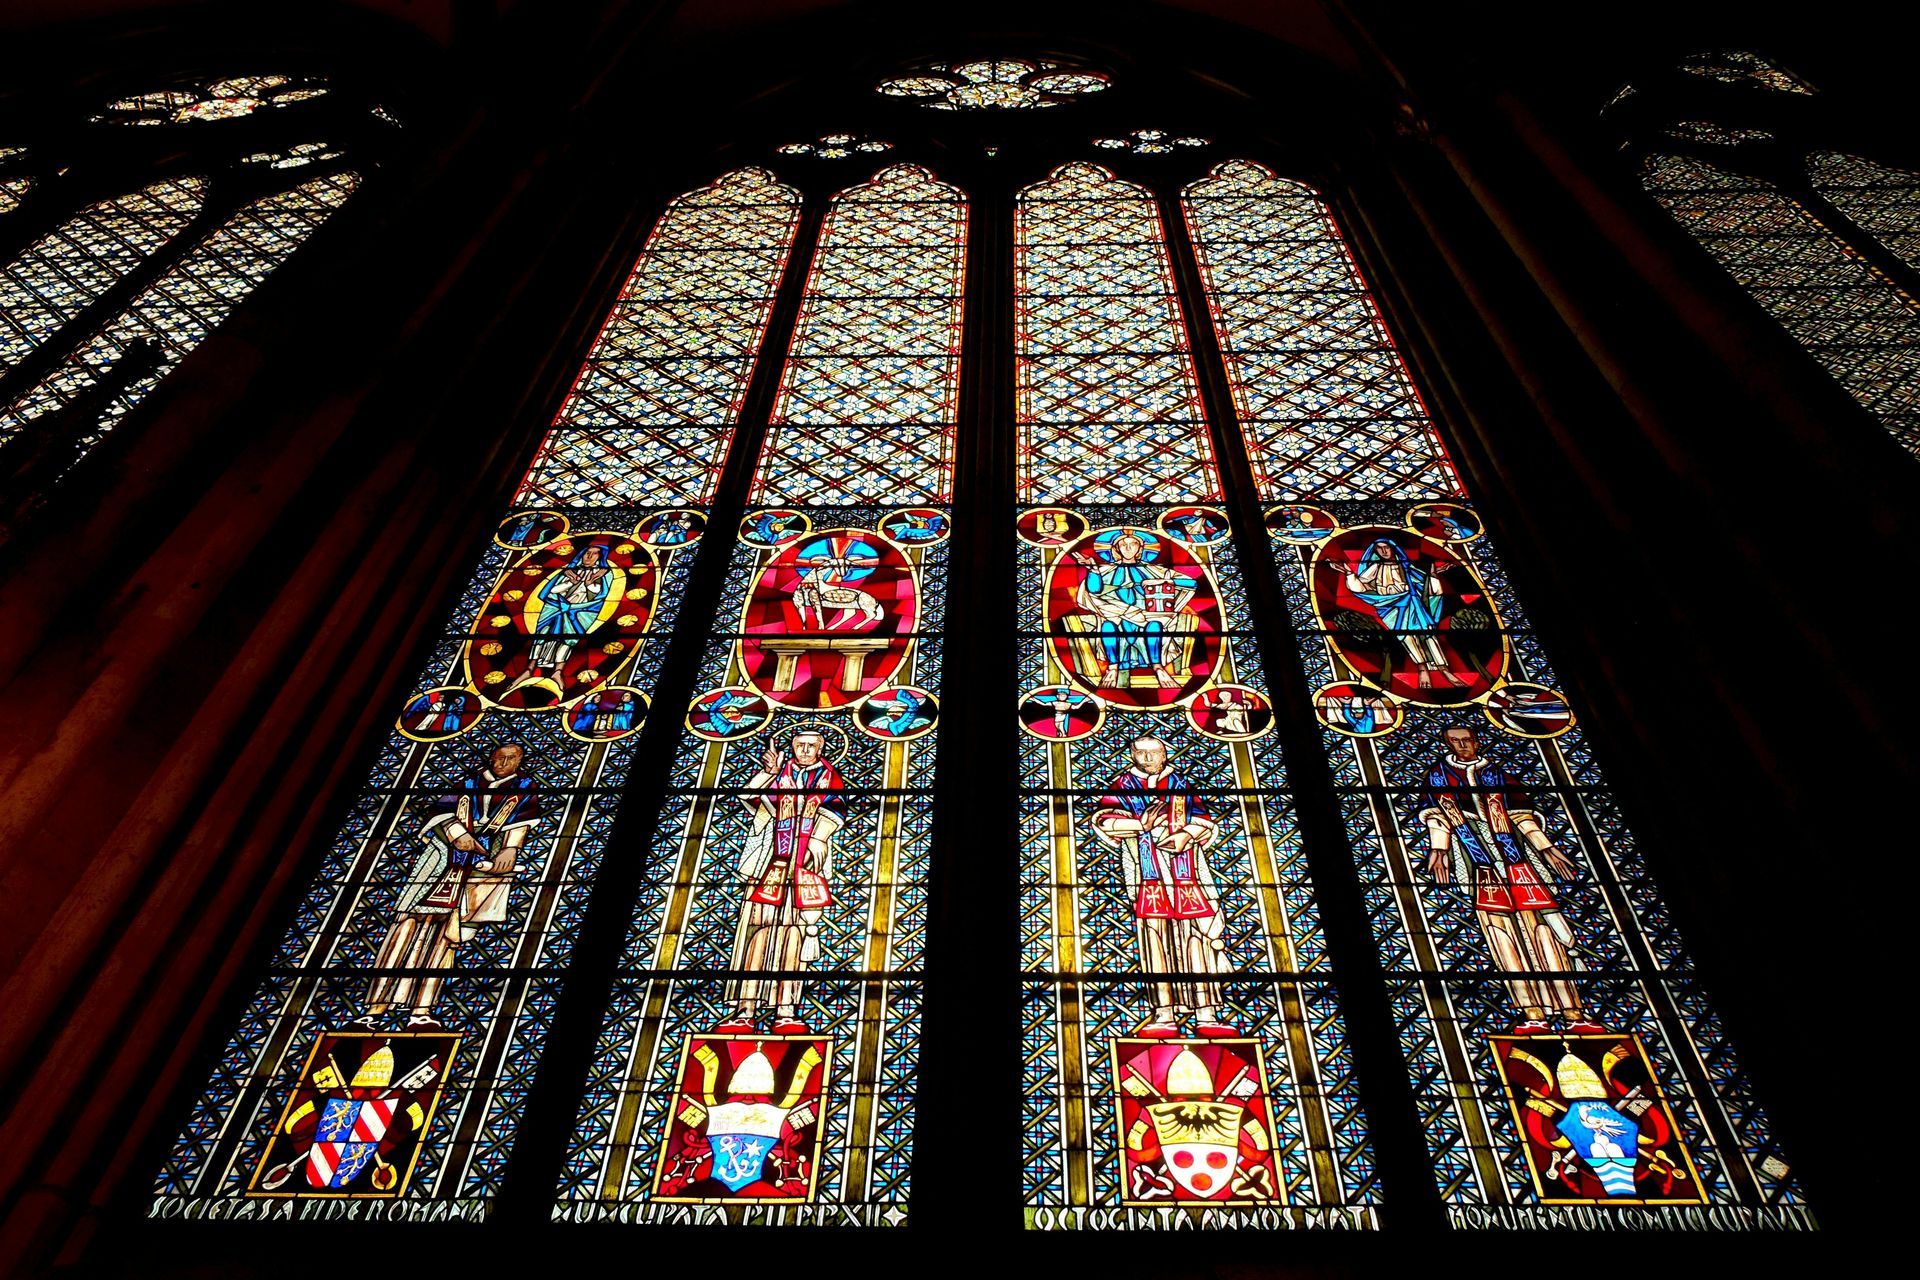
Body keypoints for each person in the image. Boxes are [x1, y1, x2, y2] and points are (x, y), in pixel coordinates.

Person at [1419, 725, 1600, 1035]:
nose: (1463, 746)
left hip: (1517, 856)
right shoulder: (1437, 776)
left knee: (1544, 928)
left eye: (1467, 740)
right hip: (1478, 860)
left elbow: (1521, 814)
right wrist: (1439, 848)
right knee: (1499, 932)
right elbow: (1437, 814)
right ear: (1446, 744)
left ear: (1477, 741)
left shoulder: (1497, 772)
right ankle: (1531, 1012)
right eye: (1456, 741)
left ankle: (1573, 1010)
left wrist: (1547, 848)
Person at [365, 744, 540, 1027]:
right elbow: (441, 812)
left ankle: (421, 1012)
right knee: (406, 925)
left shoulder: (525, 787)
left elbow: (521, 824)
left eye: (509, 759)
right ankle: (375, 1009)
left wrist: (510, 850)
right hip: (439, 859)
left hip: (479, 866)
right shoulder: (469, 783)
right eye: (497, 757)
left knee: (448, 937)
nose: (501, 763)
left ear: (519, 761)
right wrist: (456, 832)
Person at [1090, 735, 1234, 1039]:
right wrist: (1140, 825)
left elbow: (1203, 820)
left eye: (1153, 753)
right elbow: (1104, 820)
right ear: (1131, 755)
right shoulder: (1123, 786)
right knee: (1154, 938)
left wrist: (1188, 834)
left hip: (1187, 875)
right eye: (1140, 753)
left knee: (1199, 938)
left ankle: (1206, 1011)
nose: (1147, 759)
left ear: (1164, 754)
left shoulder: (1180, 784)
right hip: (1147, 876)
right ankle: (1163, 1014)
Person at [719, 729, 846, 1034]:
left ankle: (786, 1010)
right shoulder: (780, 774)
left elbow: (836, 808)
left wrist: (818, 837)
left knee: (796, 934)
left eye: (811, 746)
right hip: (768, 863)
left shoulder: (829, 778)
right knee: (757, 932)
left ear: (821, 749)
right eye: (799, 745)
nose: (804, 750)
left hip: (806, 866)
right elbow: (747, 799)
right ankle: (745, 1008)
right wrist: (767, 772)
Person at [1071, 530, 1197, 691]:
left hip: (1146, 616)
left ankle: (1158, 668)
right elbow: (1094, 590)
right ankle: (1112, 668)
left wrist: (1165, 580)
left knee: (1155, 627)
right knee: (1108, 627)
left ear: (1141, 548)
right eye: (1123, 545)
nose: (1128, 548)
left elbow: (1192, 584)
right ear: (1116, 549)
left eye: (1133, 544)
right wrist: (1093, 571)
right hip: (1116, 615)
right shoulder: (1106, 570)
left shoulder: (1156, 570)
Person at [1342, 537, 1463, 689]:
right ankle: (1422, 668)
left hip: (1412, 602)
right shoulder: (1375, 567)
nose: (1383, 551)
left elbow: (1423, 583)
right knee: (1406, 637)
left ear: (1393, 548)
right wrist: (1348, 573)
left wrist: (1433, 574)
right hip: (1389, 607)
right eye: (1379, 548)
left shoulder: (1405, 566)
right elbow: (1360, 586)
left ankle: (1444, 670)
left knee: (1428, 633)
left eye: (1386, 547)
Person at [528, 542, 615, 671]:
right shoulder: (569, 570)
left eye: (594, 554)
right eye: (587, 553)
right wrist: (570, 583)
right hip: (555, 607)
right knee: (543, 633)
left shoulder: (603, 574)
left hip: (580, 612)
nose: (589, 557)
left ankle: (558, 671)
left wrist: (588, 584)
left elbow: (601, 595)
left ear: (600, 557)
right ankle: (530, 668)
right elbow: (552, 590)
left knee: (568, 639)